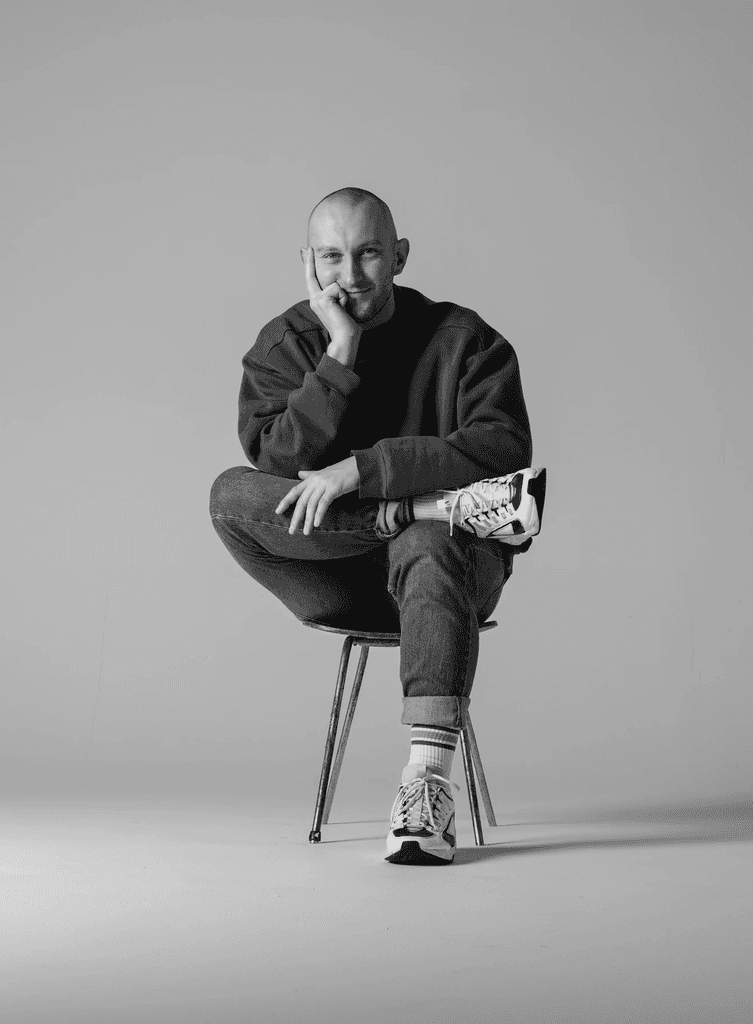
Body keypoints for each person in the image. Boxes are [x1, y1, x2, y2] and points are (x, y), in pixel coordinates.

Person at [210, 187, 544, 865]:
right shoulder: (286, 344)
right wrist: (340, 352)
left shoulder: (464, 339)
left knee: (428, 539)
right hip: (338, 573)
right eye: (332, 256)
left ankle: (425, 784)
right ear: (309, 261)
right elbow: (275, 461)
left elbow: (504, 448)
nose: (350, 275)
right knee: (230, 495)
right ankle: (424, 511)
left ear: (399, 256)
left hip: (449, 571)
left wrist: (366, 470)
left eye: (367, 254)